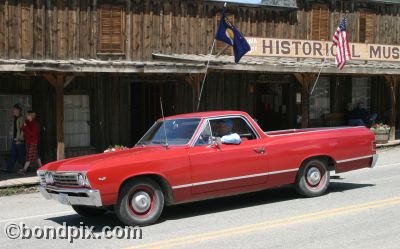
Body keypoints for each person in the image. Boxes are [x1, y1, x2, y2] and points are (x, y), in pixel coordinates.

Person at [3, 104, 25, 173]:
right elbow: (14, 129)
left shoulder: (22, 118)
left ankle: (23, 169)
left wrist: (20, 138)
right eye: (13, 110)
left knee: (21, 155)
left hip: (19, 140)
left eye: (15, 110)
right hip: (14, 139)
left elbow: (22, 129)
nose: (13, 111)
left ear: (18, 110)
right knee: (13, 154)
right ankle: (9, 168)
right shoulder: (14, 118)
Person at [18, 111, 42, 175]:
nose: (26, 116)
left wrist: (26, 127)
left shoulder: (34, 124)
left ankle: (24, 170)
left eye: (28, 115)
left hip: (32, 142)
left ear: (31, 116)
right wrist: (24, 126)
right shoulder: (27, 122)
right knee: (36, 156)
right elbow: (23, 129)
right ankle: (41, 168)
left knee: (28, 156)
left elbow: (32, 134)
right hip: (28, 142)